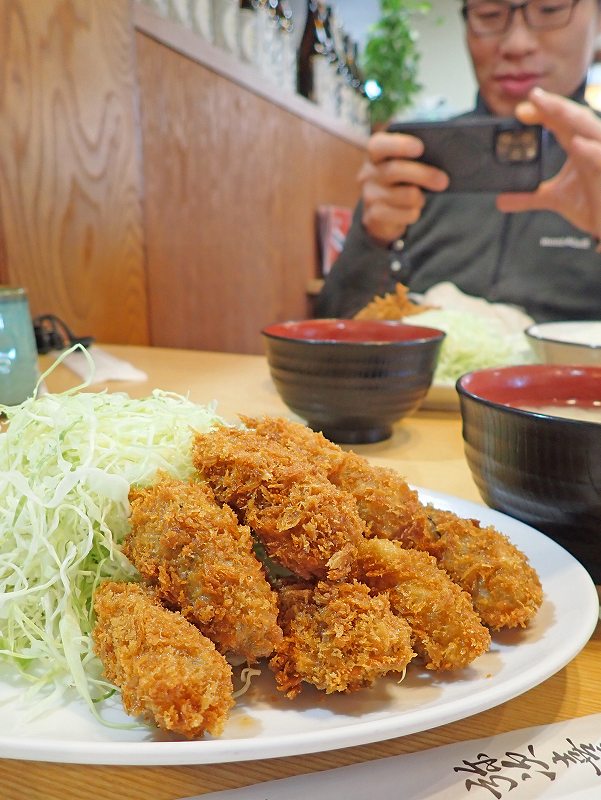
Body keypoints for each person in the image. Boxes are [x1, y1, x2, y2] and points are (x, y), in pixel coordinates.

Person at [315, 0, 601, 322]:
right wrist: (373, 238)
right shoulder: (422, 160)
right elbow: (335, 327)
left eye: (550, 9)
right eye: (489, 15)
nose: (516, 45)